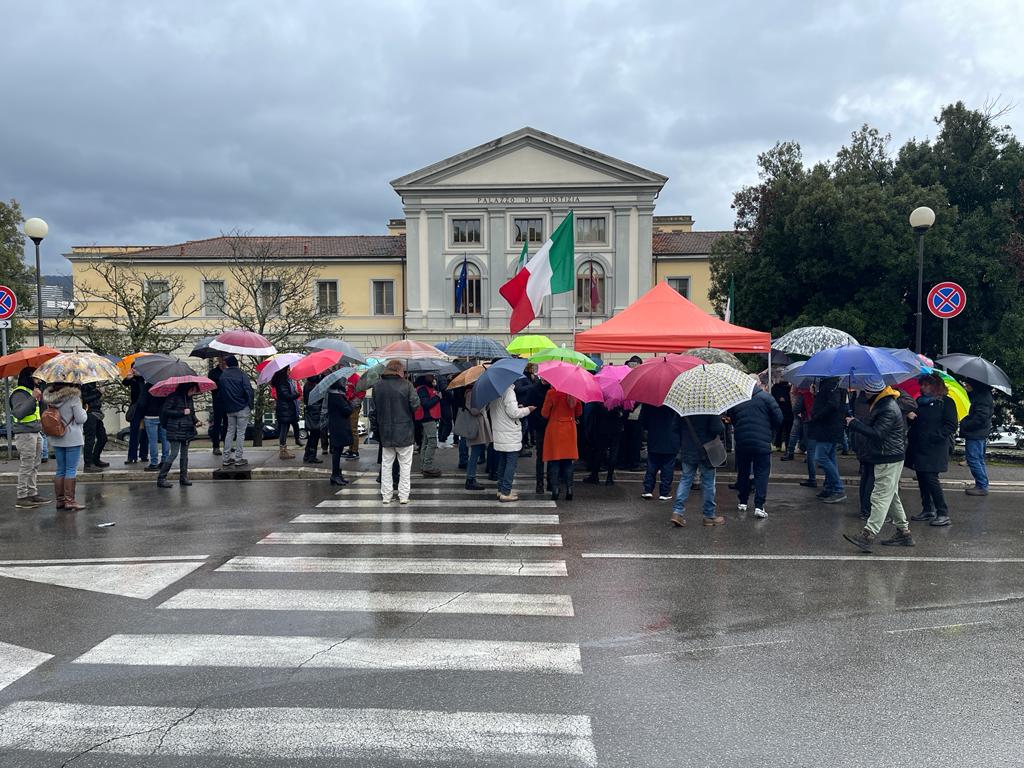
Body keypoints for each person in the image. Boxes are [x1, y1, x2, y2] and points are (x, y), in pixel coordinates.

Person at [843, 377, 914, 551]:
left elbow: (878, 433)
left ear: (872, 392)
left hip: (887, 457)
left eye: (866, 392)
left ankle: (868, 535)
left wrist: (854, 424)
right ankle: (904, 532)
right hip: (891, 455)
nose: (864, 395)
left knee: (880, 496)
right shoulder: (885, 403)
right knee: (891, 496)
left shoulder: (886, 407)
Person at [907, 373, 958, 526]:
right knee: (922, 478)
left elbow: (951, 425)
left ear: (936, 386)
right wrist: (910, 418)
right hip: (919, 446)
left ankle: (942, 512)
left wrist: (933, 436)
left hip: (934, 447)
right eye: (921, 385)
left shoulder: (946, 402)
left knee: (931, 479)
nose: (923, 388)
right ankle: (927, 508)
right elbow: (916, 424)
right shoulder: (919, 402)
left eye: (926, 385)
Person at [728, 384, 784, 518]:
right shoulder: (767, 398)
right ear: (758, 385)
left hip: (742, 441)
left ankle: (742, 502)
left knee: (743, 471)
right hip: (762, 442)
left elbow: (733, 418)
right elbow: (779, 418)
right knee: (762, 473)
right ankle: (759, 505)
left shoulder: (738, 400)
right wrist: (769, 428)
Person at [373, 360, 420, 504]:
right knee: (405, 466)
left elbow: (375, 409)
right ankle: (403, 496)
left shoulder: (377, 386)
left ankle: (386, 496)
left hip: (385, 431)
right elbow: (416, 405)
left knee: (386, 465)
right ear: (399, 370)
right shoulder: (407, 385)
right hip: (404, 431)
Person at [670, 414, 725, 527]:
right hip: (706, 451)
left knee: (685, 480)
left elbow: (674, 428)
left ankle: (677, 512)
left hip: (687, 450)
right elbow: (717, 428)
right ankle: (709, 516)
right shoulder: (709, 408)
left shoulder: (683, 408)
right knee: (708, 482)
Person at [43, 383, 88, 511]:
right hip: (72, 438)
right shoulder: (74, 397)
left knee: (61, 469)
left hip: (57, 437)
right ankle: (70, 501)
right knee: (71, 469)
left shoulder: (50, 399)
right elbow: (80, 419)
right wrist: (85, 411)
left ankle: (60, 500)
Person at [487, 382, 535, 502]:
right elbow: (513, 413)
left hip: (499, 432)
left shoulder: (494, 392)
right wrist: (527, 410)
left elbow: (503, 411)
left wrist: (517, 407)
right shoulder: (508, 392)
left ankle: (501, 489)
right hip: (509, 433)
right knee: (511, 464)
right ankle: (506, 491)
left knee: (503, 463)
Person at [11, 367, 50, 508]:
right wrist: (33, 397)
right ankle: (21, 496)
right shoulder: (19, 393)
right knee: (27, 465)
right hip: (25, 434)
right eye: (36, 377)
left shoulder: (31, 391)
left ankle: (32, 493)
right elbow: (19, 413)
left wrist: (40, 398)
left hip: (35, 432)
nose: (38, 380)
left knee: (35, 465)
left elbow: (39, 410)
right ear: (28, 377)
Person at [807, 377, 846, 503]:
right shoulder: (834, 384)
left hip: (827, 428)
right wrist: (816, 395)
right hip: (830, 427)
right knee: (830, 457)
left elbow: (832, 404)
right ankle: (830, 487)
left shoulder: (831, 385)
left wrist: (817, 415)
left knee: (821, 457)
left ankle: (838, 488)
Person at [541, 388, 582, 501]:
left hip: (555, 428)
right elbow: (579, 412)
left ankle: (555, 490)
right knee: (568, 462)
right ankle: (569, 489)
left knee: (554, 461)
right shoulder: (574, 392)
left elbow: (544, 413)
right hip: (569, 429)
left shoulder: (551, 393)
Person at [157, 383, 200, 488]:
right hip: (175, 429)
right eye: (192, 390)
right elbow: (166, 411)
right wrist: (181, 412)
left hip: (187, 429)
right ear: (187, 388)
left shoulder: (189, 399)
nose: (193, 393)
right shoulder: (173, 396)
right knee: (174, 453)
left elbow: (191, 413)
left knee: (185, 455)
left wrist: (196, 421)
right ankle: (161, 478)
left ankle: (183, 477)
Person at [640, 403, 682, 501]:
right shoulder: (676, 402)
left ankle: (648, 489)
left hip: (654, 437)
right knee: (668, 466)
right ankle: (664, 491)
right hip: (671, 438)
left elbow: (642, 421)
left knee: (652, 464)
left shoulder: (649, 402)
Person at [959, 378, 993, 496]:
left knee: (973, 460)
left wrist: (965, 424)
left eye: (968, 383)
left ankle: (982, 486)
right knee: (978, 460)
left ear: (975, 384)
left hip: (976, 434)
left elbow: (980, 418)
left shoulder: (982, 398)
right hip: (979, 433)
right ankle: (982, 484)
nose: (966, 385)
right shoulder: (982, 395)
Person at [218, 355, 254, 467]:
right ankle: (238, 459)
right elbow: (248, 390)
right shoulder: (242, 374)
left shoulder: (223, 376)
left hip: (229, 408)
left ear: (228, 364)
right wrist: (250, 404)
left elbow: (221, 394)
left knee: (229, 432)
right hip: (242, 407)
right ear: (236, 363)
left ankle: (226, 458)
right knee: (240, 433)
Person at [848, 388, 876, 521]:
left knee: (866, 475)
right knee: (870, 476)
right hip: (869, 441)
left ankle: (864, 509)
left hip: (860, 439)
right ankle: (867, 509)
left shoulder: (860, 398)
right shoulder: (872, 402)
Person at [583, 402, 627, 486]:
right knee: (613, 453)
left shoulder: (601, 399)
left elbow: (595, 412)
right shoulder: (622, 398)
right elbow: (626, 412)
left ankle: (594, 475)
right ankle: (609, 478)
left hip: (603, 428)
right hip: (617, 428)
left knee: (599, 452)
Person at [460, 385, 492, 491]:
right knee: (475, 453)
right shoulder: (470, 394)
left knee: (476, 452)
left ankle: (471, 478)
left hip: (480, 426)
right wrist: (483, 402)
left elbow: (485, 409)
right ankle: (470, 479)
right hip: (476, 427)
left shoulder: (477, 393)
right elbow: (474, 411)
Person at [325, 378, 354, 485]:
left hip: (336, 426)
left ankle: (337, 474)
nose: (345, 385)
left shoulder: (334, 395)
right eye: (344, 383)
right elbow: (347, 410)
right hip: (339, 427)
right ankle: (335, 475)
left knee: (338, 451)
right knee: (337, 452)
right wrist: (349, 403)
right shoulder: (337, 397)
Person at [138, 379, 169, 472]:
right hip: (163, 415)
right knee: (165, 440)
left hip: (150, 416)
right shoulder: (165, 384)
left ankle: (154, 463)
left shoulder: (147, 385)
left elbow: (142, 403)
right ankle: (165, 461)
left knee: (152, 441)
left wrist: (141, 415)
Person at [414, 374, 442, 477]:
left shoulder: (425, 388)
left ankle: (424, 465)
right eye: (430, 376)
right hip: (428, 418)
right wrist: (437, 398)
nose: (433, 377)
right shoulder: (422, 389)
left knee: (425, 442)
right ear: (425, 377)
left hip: (427, 418)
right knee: (432, 441)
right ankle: (427, 466)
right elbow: (426, 404)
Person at [271, 368, 301, 460]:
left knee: (285, 428)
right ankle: (283, 452)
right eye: (288, 369)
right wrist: (297, 394)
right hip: (285, 409)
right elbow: (286, 396)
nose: (289, 371)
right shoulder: (282, 381)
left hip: (286, 408)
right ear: (284, 371)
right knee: (284, 429)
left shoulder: (283, 380)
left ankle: (284, 450)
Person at [122, 370, 148, 465]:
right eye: (133, 369)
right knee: (134, 432)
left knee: (145, 433)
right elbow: (125, 383)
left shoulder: (146, 378)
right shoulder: (133, 379)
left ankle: (144, 455)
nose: (135, 370)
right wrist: (128, 377)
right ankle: (132, 457)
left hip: (146, 408)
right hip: (136, 408)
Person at [81, 383, 109, 472]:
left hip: (96, 413)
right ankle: (88, 464)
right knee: (90, 440)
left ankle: (95, 459)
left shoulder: (93, 383)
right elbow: (85, 399)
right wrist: (98, 392)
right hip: (90, 413)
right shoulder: (84, 384)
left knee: (103, 438)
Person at [302, 374, 325, 465]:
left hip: (310, 412)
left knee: (312, 436)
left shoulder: (306, 385)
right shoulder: (315, 387)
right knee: (315, 435)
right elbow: (320, 399)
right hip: (316, 412)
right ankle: (312, 456)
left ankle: (307, 455)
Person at [207, 359, 228, 456]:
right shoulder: (213, 373)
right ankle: (216, 446)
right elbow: (213, 386)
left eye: (225, 363)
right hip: (218, 401)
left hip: (227, 401)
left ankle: (227, 444)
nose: (224, 365)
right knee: (217, 424)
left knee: (228, 424)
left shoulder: (228, 372)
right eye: (222, 363)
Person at [770, 378, 793, 451]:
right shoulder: (775, 388)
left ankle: (785, 445)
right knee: (779, 429)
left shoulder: (788, 387)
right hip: (781, 409)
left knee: (787, 429)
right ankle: (778, 444)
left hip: (787, 411)